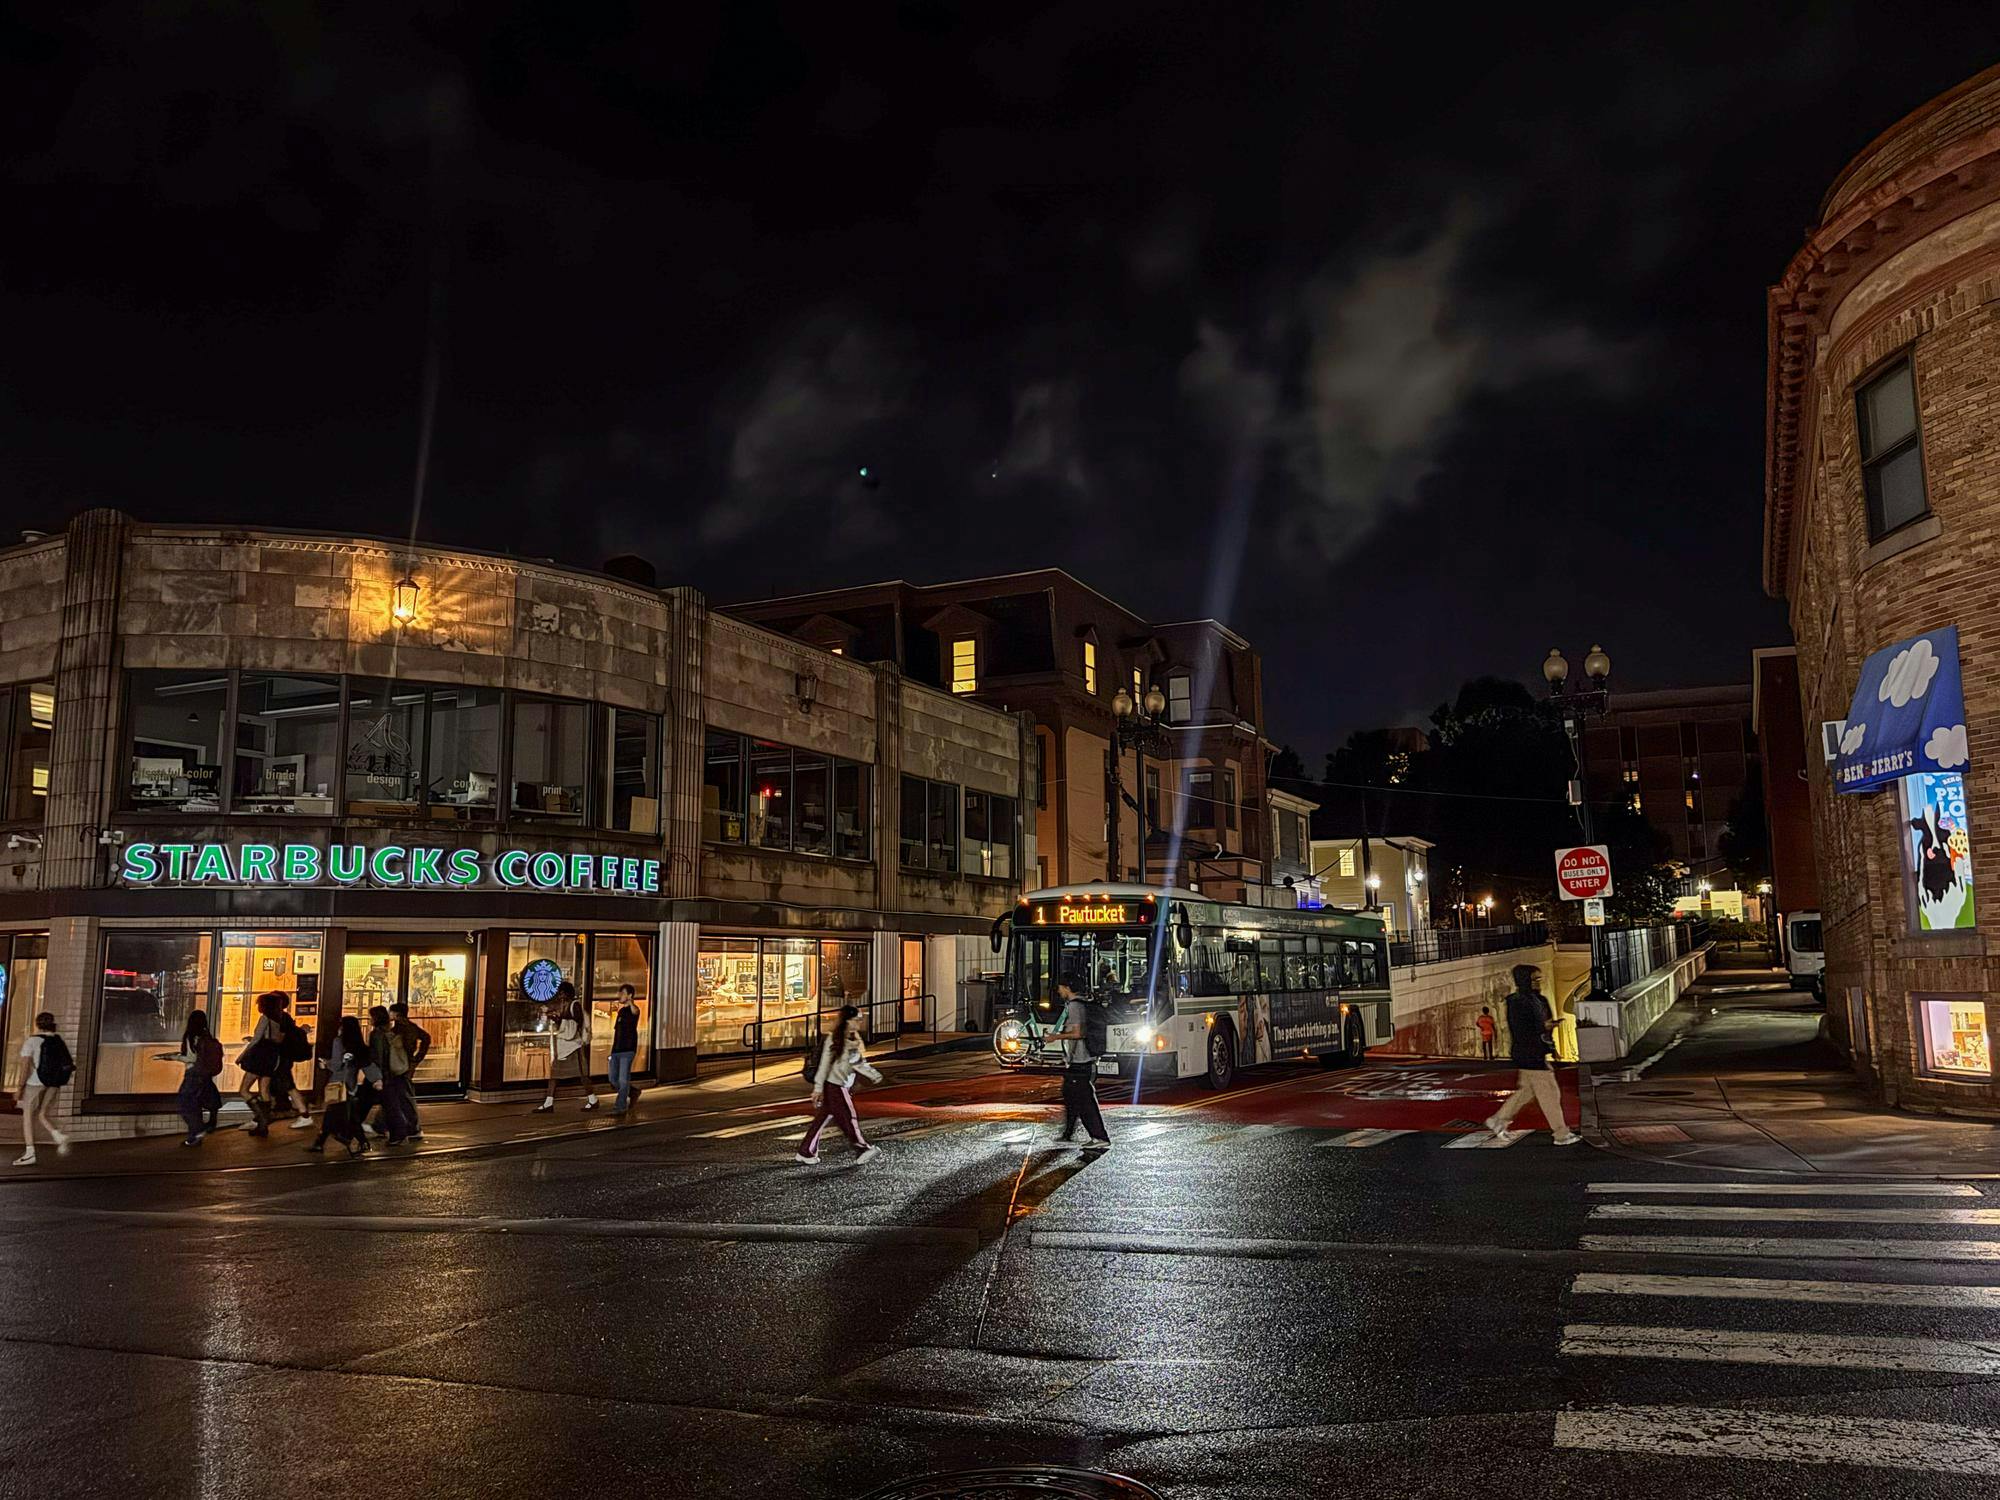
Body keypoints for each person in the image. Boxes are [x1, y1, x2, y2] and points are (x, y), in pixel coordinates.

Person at [1484, 964, 1580, 1145]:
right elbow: (1526, 1028)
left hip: (1529, 1052)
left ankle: (1499, 1120)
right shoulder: (1523, 1002)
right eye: (1534, 979)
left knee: (1526, 1091)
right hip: (1531, 1053)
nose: (1538, 983)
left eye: (1539, 979)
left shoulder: (1529, 1000)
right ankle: (1561, 1134)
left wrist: (1548, 1034)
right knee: (1550, 1094)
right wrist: (1546, 1028)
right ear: (1525, 980)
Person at [797, 1004, 881, 1164]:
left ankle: (805, 1151)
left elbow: (858, 1062)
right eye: (857, 1019)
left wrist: (874, 1075)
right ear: (848, 1021)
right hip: (835, 1085)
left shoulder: (853, 1038)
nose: (860, 1022)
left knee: (822, 1118)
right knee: (848, 1117)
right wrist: (818, 1088)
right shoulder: (833, 1039)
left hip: (843, 1084)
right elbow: (823, 1065)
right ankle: (862, 1149)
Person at [1048, 973, 1111, 1151]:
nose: (1058, 991)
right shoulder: (1081, 1003)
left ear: (1067, 988)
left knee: (1085, 1101)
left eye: (1060, 987)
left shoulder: (1075, 1006)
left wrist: (1055, 1037)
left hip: (1081, 1061)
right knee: (1070, 1095)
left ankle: (1099, 1136)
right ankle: (1068, 1133)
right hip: (1080, 1061)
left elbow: (1078, 1033)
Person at [310, 1016, 376, 1157]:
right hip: (351, 1085)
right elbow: (366, 1064)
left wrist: (325, 1063)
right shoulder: (359, 1044)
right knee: (345, 1114)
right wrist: (376, 1079)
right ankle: (320, 1143)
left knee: (334, 1114)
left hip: (338, 1084)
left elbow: (336, 1065)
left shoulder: (339, 1042)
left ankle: (326, 1142)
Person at [157, 1010, 224, 1147]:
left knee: (185, 1104)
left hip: (193, 1074)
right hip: (205, 1075)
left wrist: (171, 1057)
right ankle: (194, 1137)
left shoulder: (190, 1036)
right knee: (196, 1104)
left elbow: (191, 1058)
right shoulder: (207, 1036)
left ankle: (198, 1130)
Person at [13, 1012, 72, 1165]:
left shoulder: (31, 1041)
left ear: (37, 1024)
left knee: (27, 1116)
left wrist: (20, 1088)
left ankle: (30, 1152)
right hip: (54, 1081)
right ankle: (58, 1135)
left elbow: (25, 1066)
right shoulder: (57, 1040)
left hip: (35, 1082)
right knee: (42, 1114)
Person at [534, 984, 599, 1113]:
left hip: (574, 1045)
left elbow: (577, 1023)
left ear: (566, 993)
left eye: (561, 993)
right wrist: (557, 1018)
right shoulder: (566, 1005)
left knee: (581, 1074)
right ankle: (549, 1102)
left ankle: (592, 1099)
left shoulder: (574, 1005)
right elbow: (568, 1023)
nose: (559, 996)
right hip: (566, 1045)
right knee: (556, 1074)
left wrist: (560, 1018)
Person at [363, 1005, 414, 1145]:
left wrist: (376, 1077)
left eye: (370, 1016)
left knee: (389, 1106)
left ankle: (398, 1133)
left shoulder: (377, 1034)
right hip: (388, 1076)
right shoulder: (388, 1032)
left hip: (381, 1076)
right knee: (390, 1105)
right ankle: (396, 1132)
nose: (369, 1019)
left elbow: (378, 1057)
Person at [240, 992, 288, 1136]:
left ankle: (262, 1118)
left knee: (244, 1090)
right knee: (264, 1090)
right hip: (273, 1056)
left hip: (260, 1056)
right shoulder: (281, 1020)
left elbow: (256, 1039)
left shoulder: (265, 1019)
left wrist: (243, 1055)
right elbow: (279, 1040)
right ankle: (263, 1125)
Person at [387, 1000, 432, 1142]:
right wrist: (417, 1058)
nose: (390, 1014)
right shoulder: (412, 1027)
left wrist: (416, 1059)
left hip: (401, 1065)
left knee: (403, 1096)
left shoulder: (399, 1029)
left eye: (391, 1012)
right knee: (398, 1095)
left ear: (396, 1014)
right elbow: (426, 1038)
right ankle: (384, 1125)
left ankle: (413, 1128)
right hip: (407, 1064)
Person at [608, 984, 642, 1114]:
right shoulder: (621, 1012)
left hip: (628, 1049)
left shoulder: (634, 1010)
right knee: (613, 1079)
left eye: (622, 993)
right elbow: (617, 1031)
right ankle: (633, 1092)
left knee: (623, 1079)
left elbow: (635, 1011)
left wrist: (630, 1002)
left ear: (629, 995)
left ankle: (620, 1107)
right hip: (616, 1049)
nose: (619, 996)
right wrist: (612, 1051)